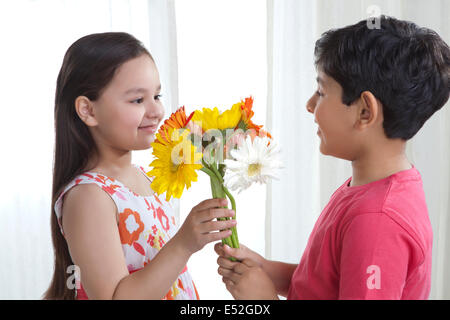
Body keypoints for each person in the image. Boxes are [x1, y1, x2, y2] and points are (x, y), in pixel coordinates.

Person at [216, 15, 450, 300]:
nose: (310, 104)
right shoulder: (369, 190)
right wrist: (266, 269)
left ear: (365, 111)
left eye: (321, 91)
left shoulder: (377, 221)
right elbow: (321, 284)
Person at [43, 32, 236, 300]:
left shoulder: (144, 178)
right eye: (137, 100)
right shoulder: (89, 196)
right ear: (88, 110)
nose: (156, 110)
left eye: (157, 95)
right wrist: (184, 244)